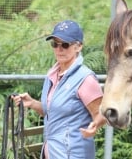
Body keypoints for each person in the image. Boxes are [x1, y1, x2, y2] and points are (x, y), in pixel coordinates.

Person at [12, 20, 107, 159]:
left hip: (74, 154)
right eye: (55, 44)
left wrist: (95, 125)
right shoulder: (52, 75)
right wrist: (32, 103)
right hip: (51, 152)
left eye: (65, 44)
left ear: (78, 47)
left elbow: (101, 114)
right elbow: (53, 112)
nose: (59, 49)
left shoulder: (85, 79)